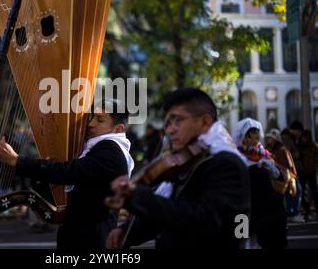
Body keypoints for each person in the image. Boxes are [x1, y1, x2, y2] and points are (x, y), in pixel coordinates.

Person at [106, 88, 250, 249]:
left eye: (177, 120)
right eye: (167, 123)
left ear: (205, 122)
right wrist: (126, 232)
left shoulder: (226, 163)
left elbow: (204, 221)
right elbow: (167, 215)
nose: (170, 129)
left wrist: (141, 197)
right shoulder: (187, 161)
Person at [0, 99, 134, 249]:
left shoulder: (110, 152)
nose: (90, 124)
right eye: (92, 117)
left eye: (100, 120)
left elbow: (67, 172)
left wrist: (16, 160)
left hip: (92, 241)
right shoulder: (99, 148)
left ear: (118, 129)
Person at [233, 119, 287, 249]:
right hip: (243, 207)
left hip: (264, 207)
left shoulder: (263, 154)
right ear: (243, 136)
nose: (256, 135)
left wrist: (271, 168)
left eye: (257, 132)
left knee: (267, 240)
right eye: (251, 132)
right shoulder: (235, 156)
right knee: (242, 240)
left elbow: (278, 177)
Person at [265, 129, 303, 222]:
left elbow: (289, 163)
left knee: (294, 192)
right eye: (268, 138)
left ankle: (293, 213)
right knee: (287, 194)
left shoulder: (282, 149)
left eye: (271, 138)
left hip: (288, 174)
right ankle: (292, 213)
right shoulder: (268, 150)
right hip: (280, 175)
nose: (269, 140)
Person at [281, 128, 304, 222]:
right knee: (296, 191)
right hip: (290, 170)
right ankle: (293, 212)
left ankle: (291, 212)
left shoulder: (284, 141)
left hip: (288, 170)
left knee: (291, 192)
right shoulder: (288, 140)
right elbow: (293, 155)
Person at [298, 130, 318, 220]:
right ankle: (306, 211)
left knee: (314, 191)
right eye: (303, 137)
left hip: (311, 171)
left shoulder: (313, 146)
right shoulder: (299, 146)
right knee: (302, 192)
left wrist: (314, 165)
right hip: (302, 172)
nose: (304, 139)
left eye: (306, 137)